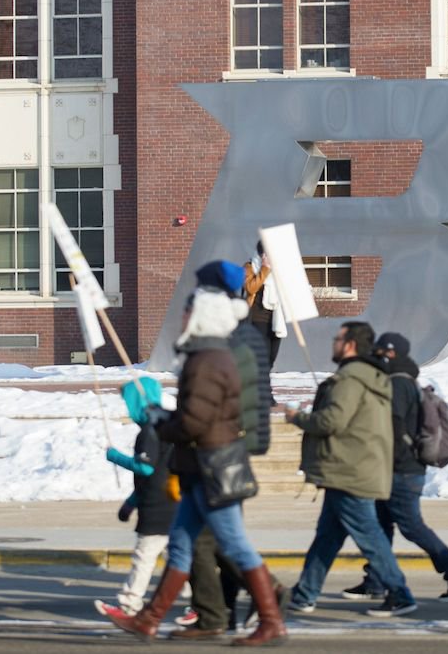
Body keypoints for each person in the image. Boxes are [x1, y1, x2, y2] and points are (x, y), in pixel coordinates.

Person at [101, 287, 286, 646]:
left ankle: (271, 619)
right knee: (183, 543)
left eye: (189, 312)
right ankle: (149, 619)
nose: (183, 318)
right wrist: (168, 417)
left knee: (234, 544)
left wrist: (163, 424)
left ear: (204, 318)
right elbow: (199, 415)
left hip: (211, 467)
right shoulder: (209, 357)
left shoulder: (206, 361)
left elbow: (195, 422)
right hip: (200, 465)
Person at [174, 260, 289, 639]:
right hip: (228, 445)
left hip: (221, 450)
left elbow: (230, 399)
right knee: (211, 538)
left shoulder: (228, 337)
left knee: (214, 541)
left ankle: (232, 609)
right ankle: (220, 613)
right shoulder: (240, 333)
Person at [284, 321, 418, 617]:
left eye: (337, 338)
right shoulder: (370, 376)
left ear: (350, 345)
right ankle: (305, 593)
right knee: (327, 537)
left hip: (349, 470)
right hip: (354, 467)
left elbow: (331, 421)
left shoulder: (349, 379)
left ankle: (400, 593)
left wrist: (298, 417)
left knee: (369, 535)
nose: (333, 343)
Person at [339, 332, 448, 603]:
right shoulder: (403, 380)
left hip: (402, 469)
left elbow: (393, 428)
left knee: (411, 526)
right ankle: (376, 580)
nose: (375, 358)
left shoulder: (398, 384)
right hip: (397, 468)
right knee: (381, 524)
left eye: (379, 353)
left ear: (389, 353)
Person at [94, 376, 180, 618]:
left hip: (157, 505)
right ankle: (202, 603)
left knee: (145, 556)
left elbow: (146, 469)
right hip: (168, 501)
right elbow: (153, 474)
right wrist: (130, 503)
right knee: (179, 558)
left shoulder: (149, 432)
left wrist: (115, 457)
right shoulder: (164, 426)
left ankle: (130, 603)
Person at [243, 242, 286, 374]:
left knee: (271, 357)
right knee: (262, 358)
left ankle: (262, 385)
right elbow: (250, 288)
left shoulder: (279, 268)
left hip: (276, 319)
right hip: (257, 318)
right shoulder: (249, 267)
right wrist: (264, 269)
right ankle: (262, 390)